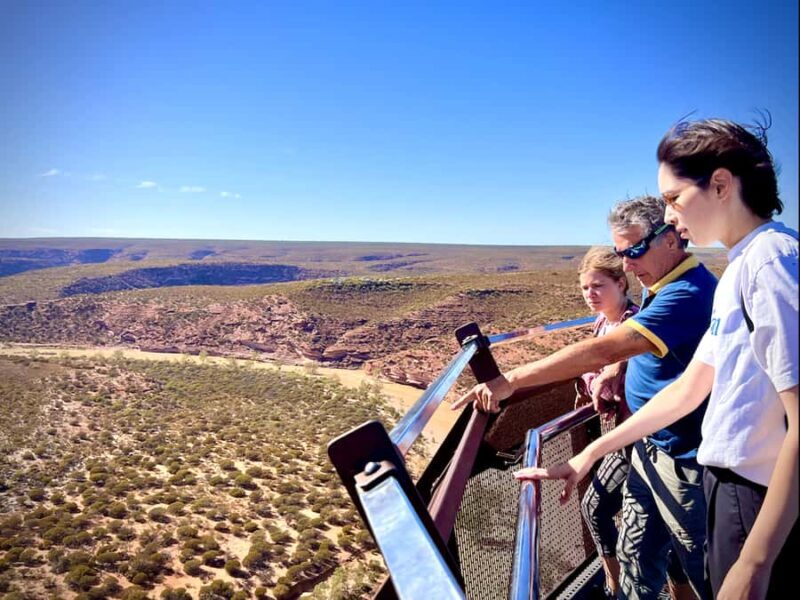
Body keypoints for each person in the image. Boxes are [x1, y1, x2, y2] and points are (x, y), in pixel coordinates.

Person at [520, 118, 798, 600]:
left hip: (754, 493)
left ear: (720, 185)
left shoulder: (771, 263)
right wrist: (588, 454)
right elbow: (687, 390)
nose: (670, 215)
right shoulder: (739, 269)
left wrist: (756, 561)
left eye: (673, 197)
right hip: (726, 482)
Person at [453, 195, 717, 599]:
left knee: (701, 567)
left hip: (682, 458)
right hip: (648, 444)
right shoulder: (660, 282)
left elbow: (603, 350)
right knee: (636, 554)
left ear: (670, 238)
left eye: (633, 251)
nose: (626, 265)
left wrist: (511, 381)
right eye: (619, 253)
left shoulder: (686, 293)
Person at [574, 246, 639, 598]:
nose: (590, 294)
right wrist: (588, 384)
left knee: (599, 509)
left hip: (639, 437)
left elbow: (617, 374)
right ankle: (615, 584)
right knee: (599, 509)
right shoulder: (602, 323)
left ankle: (617, 585)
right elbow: (593, 369)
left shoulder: (635, 323)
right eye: (585, 287)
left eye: (598, 286)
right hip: (618, 437)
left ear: (621, 283)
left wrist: (603, 379)